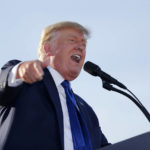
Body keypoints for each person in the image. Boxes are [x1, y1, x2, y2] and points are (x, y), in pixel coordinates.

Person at [0, 21, 110, 150]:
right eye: (72, 40)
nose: (80, 47)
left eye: (84, 44)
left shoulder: (87, 111)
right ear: (48, 48)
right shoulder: (24, 83)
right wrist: (19, 71)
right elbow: (4, 82)